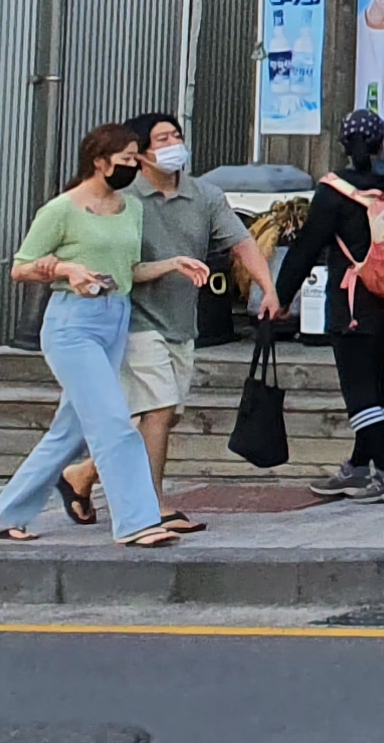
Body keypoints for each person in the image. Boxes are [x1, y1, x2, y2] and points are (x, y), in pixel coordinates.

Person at [58, 112, 278, 532]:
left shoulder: (204, 195)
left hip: (181, 323)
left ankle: (81, 475)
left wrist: (267, 288)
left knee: (163, 415)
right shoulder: (124, 199)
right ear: (140, 153)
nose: (174, 144)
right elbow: (113, 264)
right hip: (134, 321)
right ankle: (151, 506)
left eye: (177, 135)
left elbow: (241, 243)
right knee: (158, 411)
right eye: (162, 139)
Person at [0, 126, 191, 549]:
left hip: (115, 317)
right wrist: (66, 269)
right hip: (72, 324)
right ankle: (137, 521)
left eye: (136, 158)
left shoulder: (130, 209)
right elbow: (21, 267)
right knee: (114, 422)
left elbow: (128, 271)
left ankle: (10, 513)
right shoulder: (62, 209)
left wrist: (173, 263)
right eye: (127, 159)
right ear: (100, 162)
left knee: (71, 429)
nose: (134, 166)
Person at [267, 108, 384, 500]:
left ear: (343, 145)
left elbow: (306, 249)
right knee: (371, 384)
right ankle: (358, 468)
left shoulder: (334, 192)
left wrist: (281, 298)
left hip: (352, 307)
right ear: (383, 142)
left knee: (359, 392)